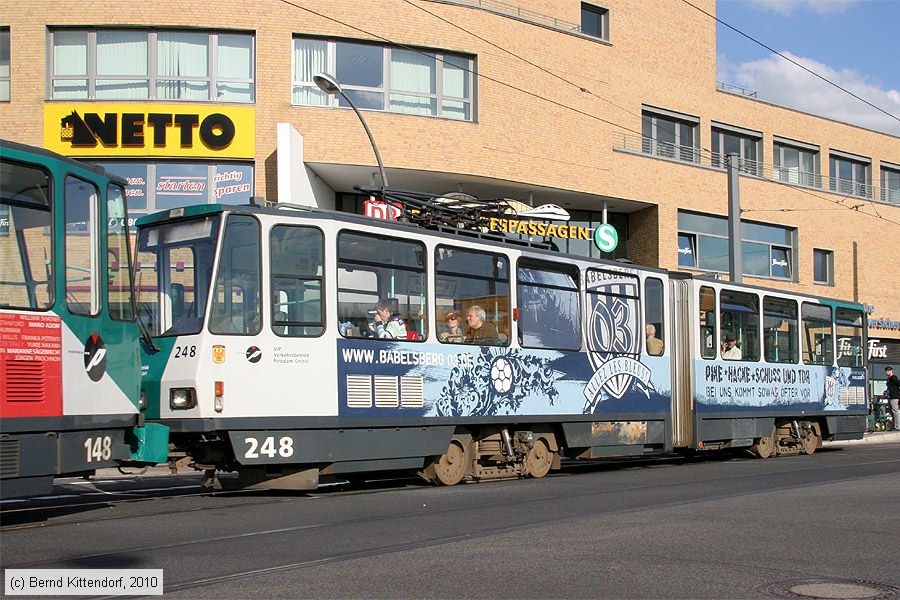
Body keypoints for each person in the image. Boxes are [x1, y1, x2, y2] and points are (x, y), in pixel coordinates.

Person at [885, 366, 900, 431]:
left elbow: (898, 383)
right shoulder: (889, 378)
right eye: (887, 371)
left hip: (894, 397)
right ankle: (894, 425)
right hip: (889, 397)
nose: (887, 372)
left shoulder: (894, 377)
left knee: (895, 411)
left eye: (889, 370)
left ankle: (898, 426)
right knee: (891, 412)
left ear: (891, 371)